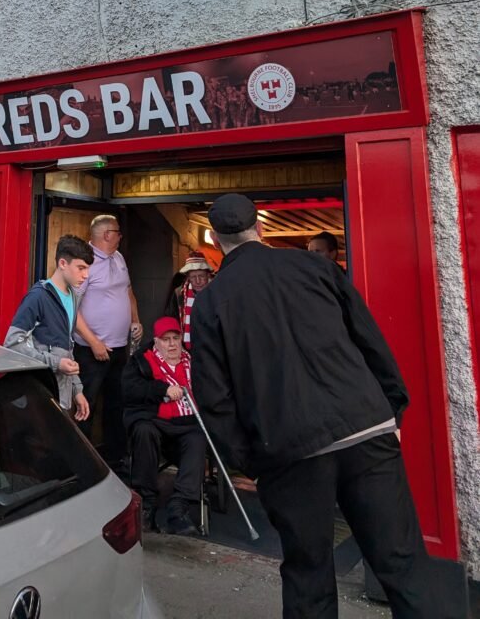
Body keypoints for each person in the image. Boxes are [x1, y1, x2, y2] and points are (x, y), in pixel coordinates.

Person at [192, 193, 440, 619]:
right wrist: (391, 410)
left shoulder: (211, 302)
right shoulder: (315, 267)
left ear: (215, 239)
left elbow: (214, 397)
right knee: (404, 564)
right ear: (260, 228)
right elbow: (369, 338)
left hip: (289, 451)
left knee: (309, 575)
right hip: (364, 427)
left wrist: (251, 461)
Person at [122, 316, 206, 535]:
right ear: (156, 341)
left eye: (175, 338)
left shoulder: (193, 361)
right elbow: (129, 390)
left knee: (198, 439)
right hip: (154, 421)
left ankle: (179, 508)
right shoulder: (142, 361)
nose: (171, 344)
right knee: (143, 431)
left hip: (187, 424)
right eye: (166, 339)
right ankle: (146, 505)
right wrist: (163, 390)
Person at [74, 214, 143, 470]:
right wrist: (93, 342)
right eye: (117, 232)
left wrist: (135, 320)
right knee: (86, 405)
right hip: (90, 350)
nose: (120, 236)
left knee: (117, 403)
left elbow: (128, 291)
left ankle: (116, 457)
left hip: (119, 347)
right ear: (106, 234)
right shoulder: (84, 263)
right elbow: (72, 308)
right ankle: (83, 463)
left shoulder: (119, 257)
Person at [4, 235, 92, 420]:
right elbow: (12, 344)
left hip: (61, 398)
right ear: (62, 263)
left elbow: (67, 349)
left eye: (88, 269)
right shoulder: (37, 297)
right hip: (38, 397)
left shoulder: (73, 297)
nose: (86, 275)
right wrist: (56, 363)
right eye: (81, 268)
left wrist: (77, 390)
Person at [164, 253, 213, 350]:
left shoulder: (217, 291)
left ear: (208, 275)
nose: (198, 281)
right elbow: (172, 318)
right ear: (188, 277)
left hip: (212, 345)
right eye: (193, 277)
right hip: (188, 346)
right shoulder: (179, 293)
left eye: (201, 276)